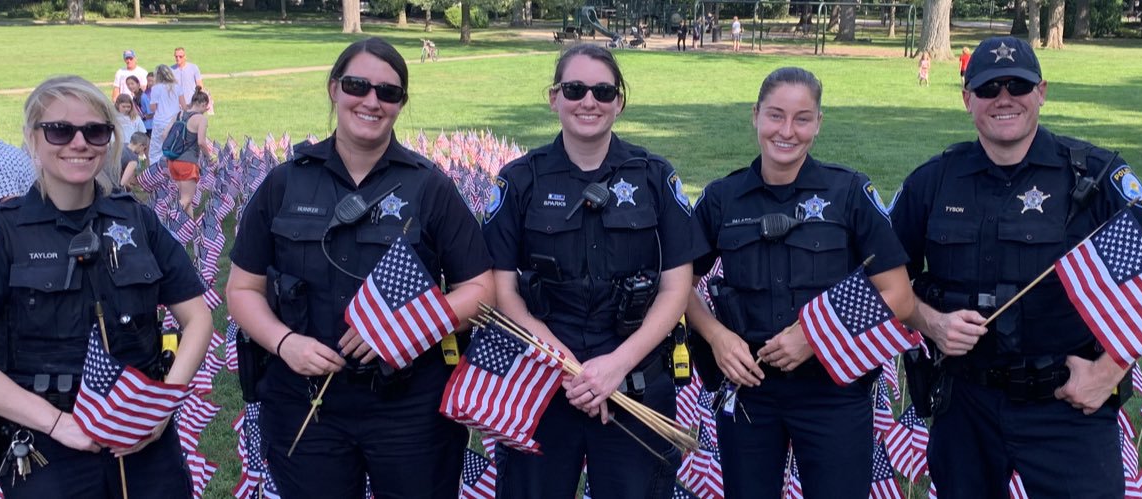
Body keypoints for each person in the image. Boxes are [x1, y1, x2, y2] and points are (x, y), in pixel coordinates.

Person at [890, 36, 1142, 498]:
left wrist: (1110, 371)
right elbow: (886, 279)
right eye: (990, 88)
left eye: (1019, 85)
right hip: (966, 403)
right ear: (967, 98)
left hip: (1068, 402)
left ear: (1042, 91)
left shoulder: (1094, 176)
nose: (1004, 99)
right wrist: (930, 322)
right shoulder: (933, 181)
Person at [225, 37, 494, 499]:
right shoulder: (285, 183)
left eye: (388, 93)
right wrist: (284, 343)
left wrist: (407, 328)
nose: (371, 101)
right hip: (307, 401)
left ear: (400, 105)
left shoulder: (429, 186)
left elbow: (480, 288)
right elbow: (242, 289)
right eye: (357, 85)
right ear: (333, 89)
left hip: (410, 405)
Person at [0, 75, 213, 498]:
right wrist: (58, 424)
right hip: (45, 445)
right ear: (33, 138)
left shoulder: (135, 220)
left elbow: (198, 318)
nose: (79, 143)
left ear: (109, 138)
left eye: (94, 131)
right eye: (60, 130)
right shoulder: (0, 233)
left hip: (142, 440)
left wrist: (163, 406)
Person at [482, 43, 704, 499]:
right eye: (575, 88)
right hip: (542, 383)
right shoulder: (519, 180)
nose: (589, 101)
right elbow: (503, 291)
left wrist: (614, 367)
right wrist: (572, 369)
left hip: (635, 384)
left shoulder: (655, 177)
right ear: (554, 97)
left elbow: (676, 287)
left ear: (619, 101)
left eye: (603, 91)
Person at [684, 67, 915, 498]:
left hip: (833, 390)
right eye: (775, 115)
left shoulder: (847, 193)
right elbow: (679, 286)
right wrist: (716, 336)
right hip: (750, 387)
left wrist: (814, 338)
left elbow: (899, 295)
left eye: (802, 118)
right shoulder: (722, 197)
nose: (787, 131)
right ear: (755, 116)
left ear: (818, 123)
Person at [165, 91, 212, 216]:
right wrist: (209, 157)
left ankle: (190, 229)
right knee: (186, 199)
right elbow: (201, 142)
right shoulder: (201, 119)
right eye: (206, 107)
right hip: (188, 163)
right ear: (203, 104)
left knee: (186, 199)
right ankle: (167, 219)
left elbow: (164, 135)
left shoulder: (179, 115)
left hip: (172, 161)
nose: (206, 110)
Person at [146, 65, 182, 162]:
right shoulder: (177, 87)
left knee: (155, 151)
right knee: (173, 147)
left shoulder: (156, 88)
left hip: (160, 122)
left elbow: (153, 108)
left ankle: (156, 173)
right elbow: (183, 105)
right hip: (174, 122)